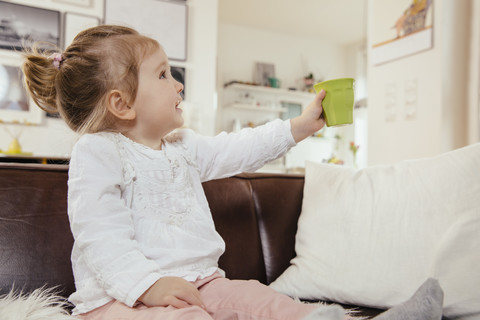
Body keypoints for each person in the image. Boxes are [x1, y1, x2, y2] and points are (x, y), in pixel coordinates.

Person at [22, 25, 444, 320]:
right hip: (120, 301)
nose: (178, 84)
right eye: (164, 74)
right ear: (122, 104)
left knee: (263, 301)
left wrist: (298, 127)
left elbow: (240, 149)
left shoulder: (183, 147)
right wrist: (147, 286)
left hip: (203, 284)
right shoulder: (98, 152)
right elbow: (100, 235)